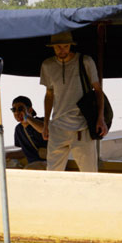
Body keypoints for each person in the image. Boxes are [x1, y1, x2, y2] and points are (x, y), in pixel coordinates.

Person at [40, 31, 107, 172]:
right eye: (58, 47)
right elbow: (49, 94)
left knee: (89, 173)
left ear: (71, 45)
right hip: (57, 127)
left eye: (65, 46)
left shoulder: (85, 61)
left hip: (82, 128)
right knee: (52, 173)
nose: (62, 50)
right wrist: (46, 123)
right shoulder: (47, 65)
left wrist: (101, 119)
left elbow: (98, 91)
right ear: (52, 47)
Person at [11, 95, 47, 167]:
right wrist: (5, 155)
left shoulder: (43, 121)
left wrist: (27, 118)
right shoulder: (18, 129)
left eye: (20, 109)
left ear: (30, 110)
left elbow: (44, 130)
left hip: (49, 162)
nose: (17, 112)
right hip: (33, 163)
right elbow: (24, 151)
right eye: (14, 110)